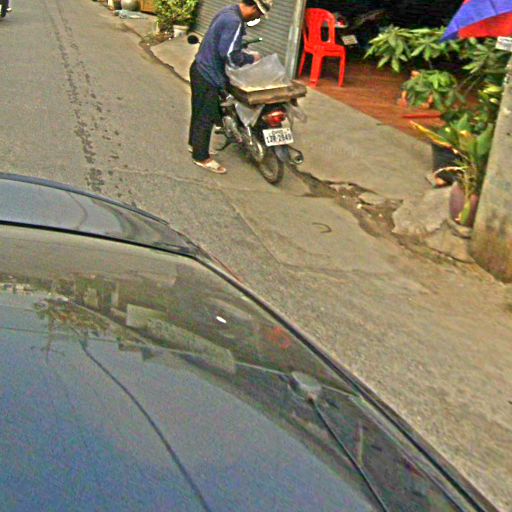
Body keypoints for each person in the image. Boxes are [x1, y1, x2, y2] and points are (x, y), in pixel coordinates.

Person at [188, 0, 272, 174]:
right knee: (206, 116)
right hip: (209, 75)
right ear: (254, 8)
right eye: (259, 14)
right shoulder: (234, 21)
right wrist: (251, 58)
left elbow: (223, 42)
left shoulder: (228, 11)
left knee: (198, 110)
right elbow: (230, 55)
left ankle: (194, 144)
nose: (257, 18)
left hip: (199, 68)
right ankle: (201, 157)